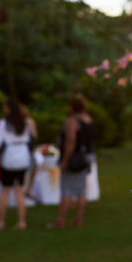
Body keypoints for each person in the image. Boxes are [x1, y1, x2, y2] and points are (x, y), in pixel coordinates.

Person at [51, 94, 96, 229]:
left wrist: (65, 160)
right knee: (81, 190)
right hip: (86, 157)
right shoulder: (88, 119)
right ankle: (79, 219)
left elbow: (70, 142)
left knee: (67, 190)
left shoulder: (72, 121)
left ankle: (60, 220)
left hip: (74, 158)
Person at [0, 97, 32, 231]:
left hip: (9, 157)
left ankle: (1, 222)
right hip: (23, 156)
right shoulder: (25, 121)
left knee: (5, 191)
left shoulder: (4, 123)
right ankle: (22, 222)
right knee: (20, 191)